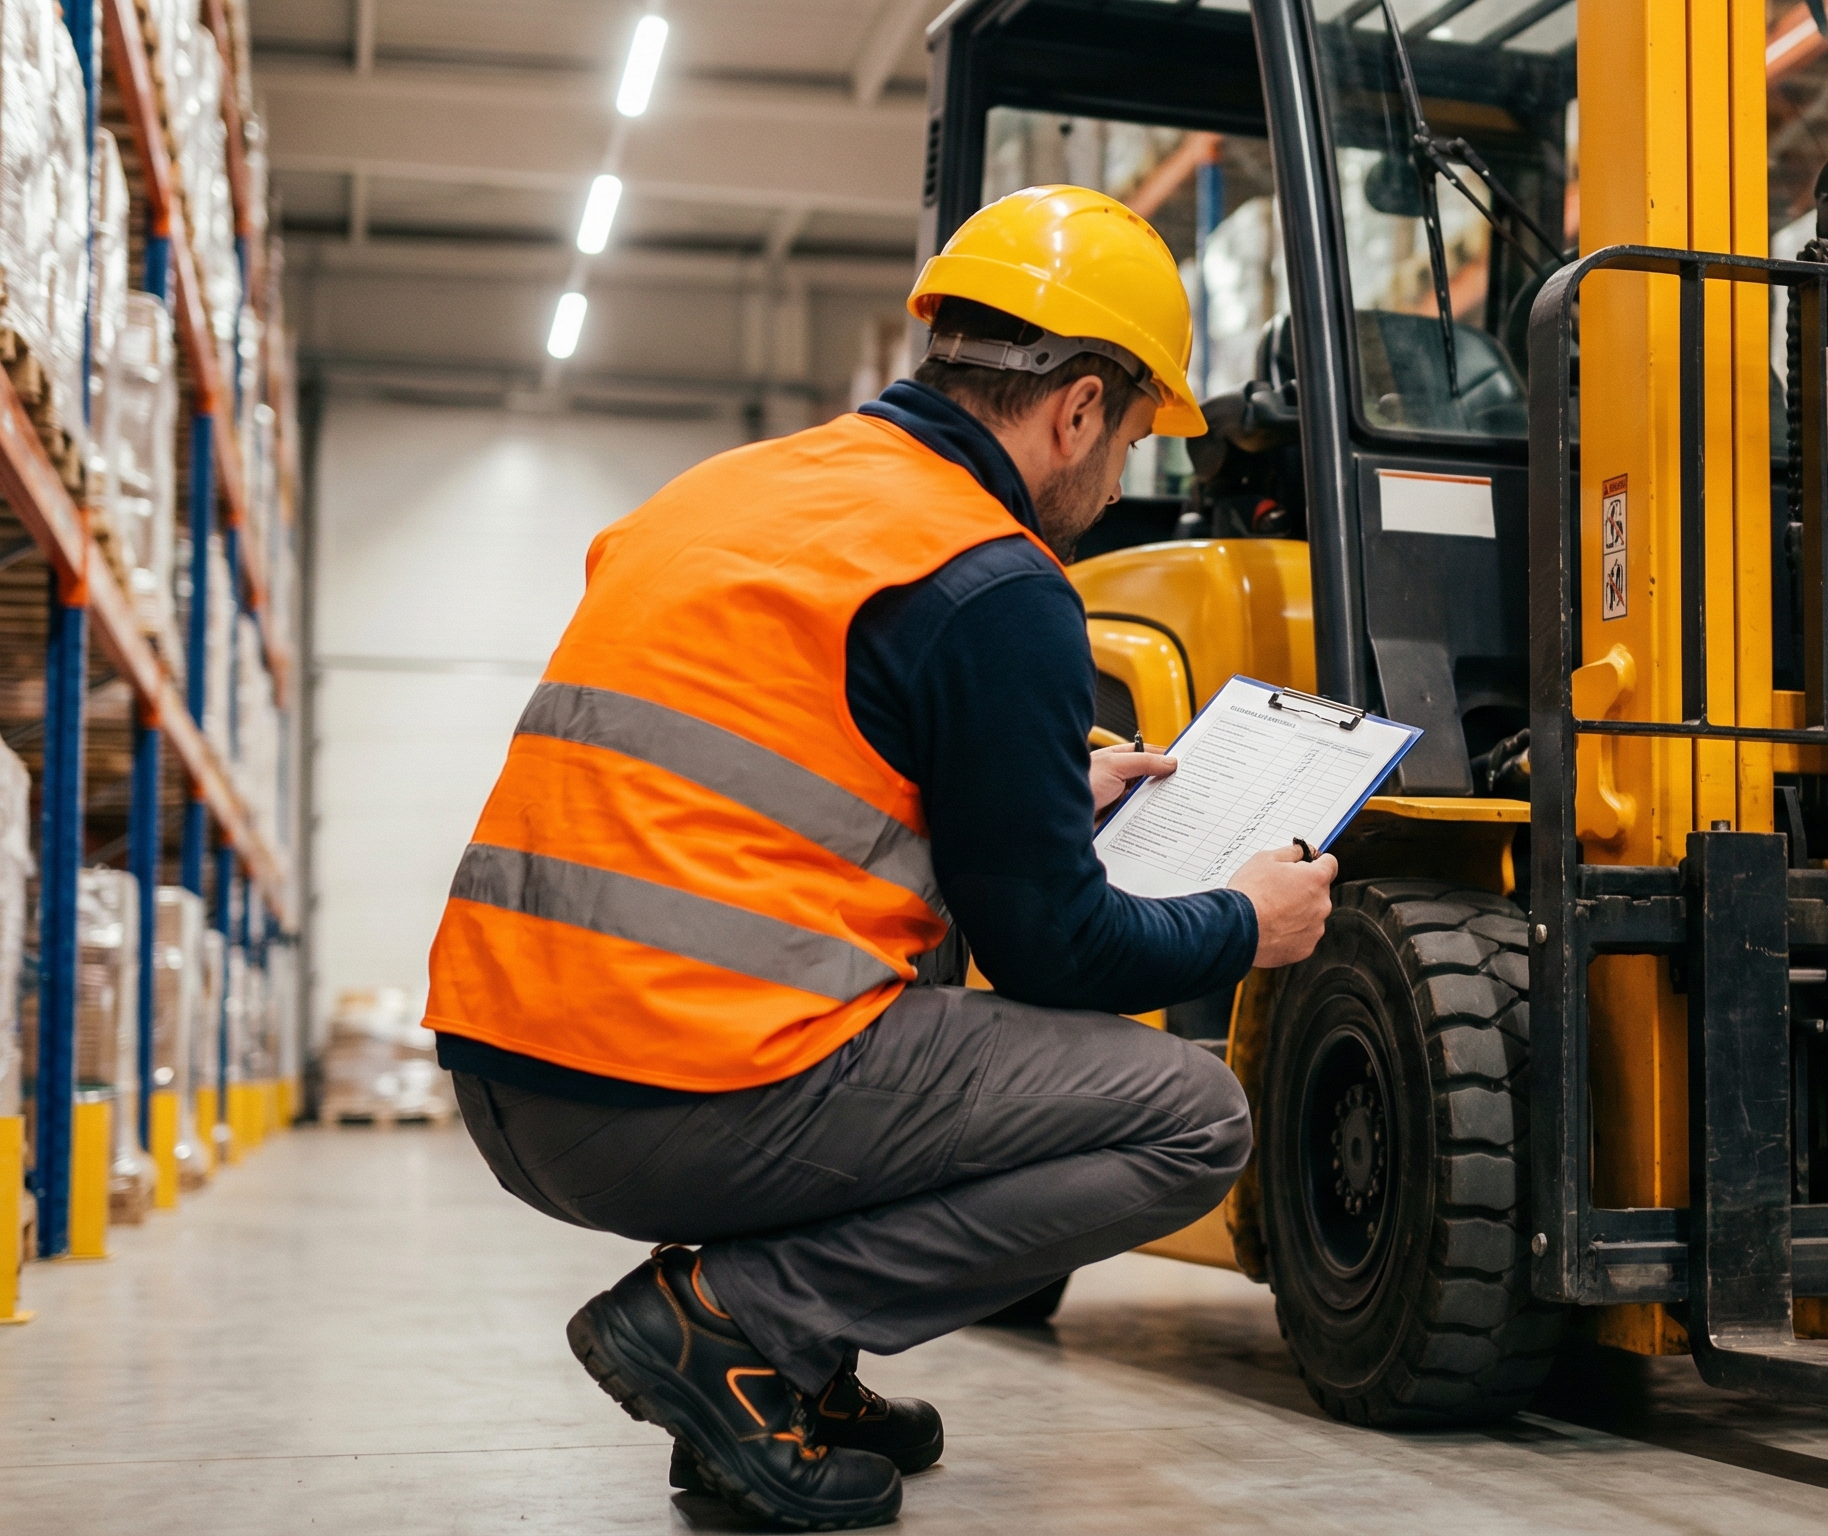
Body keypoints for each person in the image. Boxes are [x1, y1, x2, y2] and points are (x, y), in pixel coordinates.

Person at [422, 185, 1338, 1531]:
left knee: (897, 993)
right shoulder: (999, 577)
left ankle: (776, 1381)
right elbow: (1058, 954)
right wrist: (1240, 921)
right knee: (1186, 1118)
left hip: (513, 1077)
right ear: (1078, 407)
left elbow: (769, 794)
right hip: (661, 1092)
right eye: (1134, 435)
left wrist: (1027, 792)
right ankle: (732, 1326)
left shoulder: (743, 489)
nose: (1118, 477)